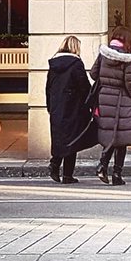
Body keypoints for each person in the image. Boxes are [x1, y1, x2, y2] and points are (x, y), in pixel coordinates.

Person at [90, 25, 131, 186]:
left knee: (112, 135)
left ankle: (103, 165)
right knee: (121, 140)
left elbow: (93, 74)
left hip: (104, 99)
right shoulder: (127, 59)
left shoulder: (103, 54)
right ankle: (116, 174)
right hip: (121, 101)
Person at [46, 35, 95, 184]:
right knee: (72, 140)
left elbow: (48, 87)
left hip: (56, 106)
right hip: (73, 107)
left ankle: (55, 164)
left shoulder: (53, 65)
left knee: (60, 138)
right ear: (75, 48)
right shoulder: (76, 64)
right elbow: (84, 86)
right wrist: (90, 104)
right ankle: (67, 174)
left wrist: (50, 106)